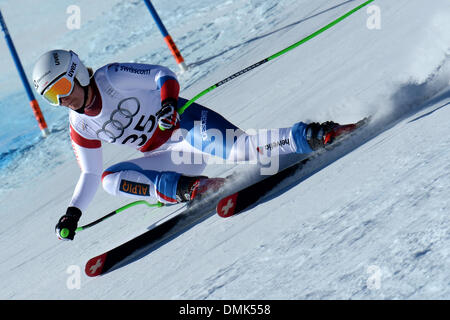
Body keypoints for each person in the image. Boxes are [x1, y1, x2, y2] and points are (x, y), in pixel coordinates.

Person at [32, 49, 340, 241]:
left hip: (186, 122)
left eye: (60, 88)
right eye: (51, 97)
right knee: (110, 180)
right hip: (173, 156)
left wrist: (167, 104)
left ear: (75, 73)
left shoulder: (110, 78)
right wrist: (73, 213)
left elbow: (161, 75)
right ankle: (193, 189)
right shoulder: (80, 125)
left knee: (240, 150)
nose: (62, 100)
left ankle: (311, 135)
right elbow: (89, 173)